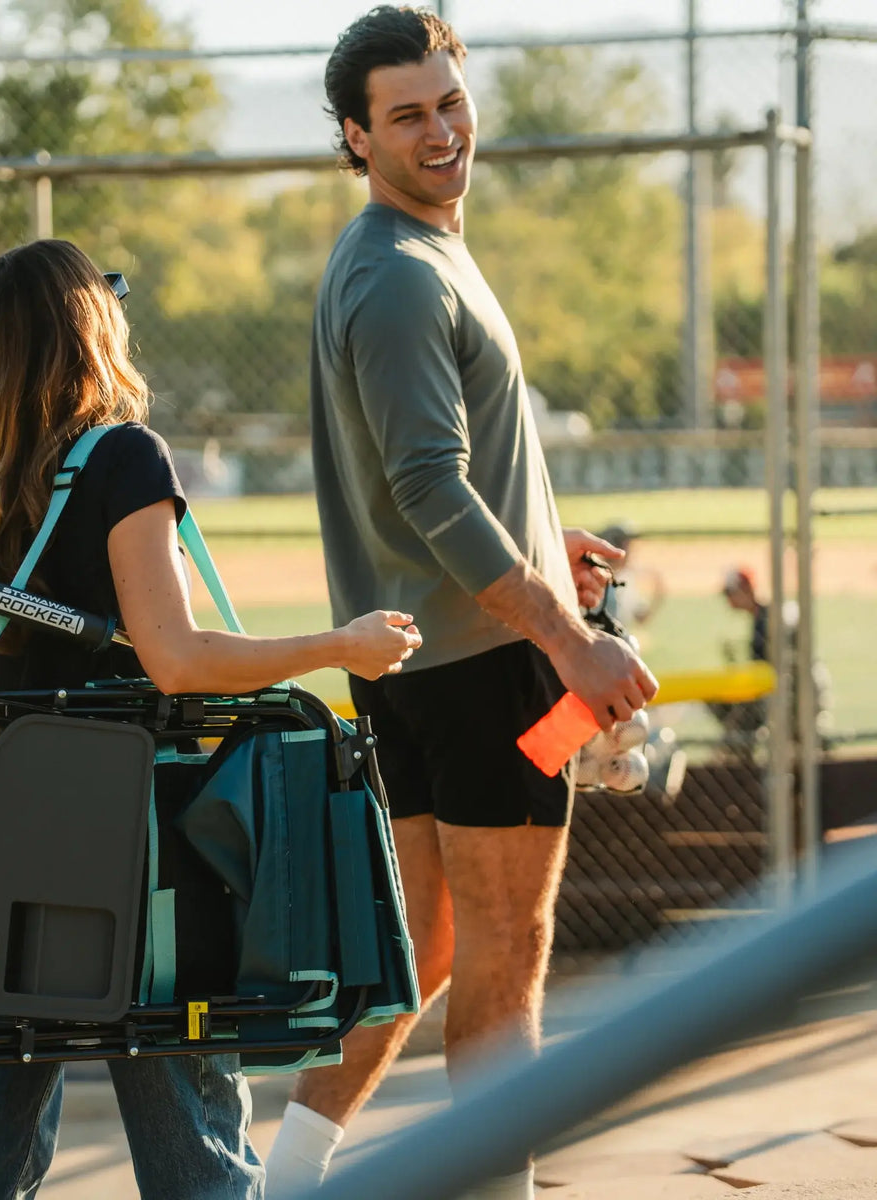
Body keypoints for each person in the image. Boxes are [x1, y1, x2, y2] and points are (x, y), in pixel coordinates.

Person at [0, 238, 423, 1200]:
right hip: (140, 845)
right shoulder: (124, 458)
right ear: (89, 331)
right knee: (189, 1129)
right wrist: (337, 644)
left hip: (20, 831)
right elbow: (177, 659)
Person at [263, 9, 657, 1199]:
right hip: (484, 665)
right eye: (405, 115)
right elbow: (429, 488)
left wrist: (548, 541)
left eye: (448, 103)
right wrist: (569, 639)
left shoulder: (411, 249)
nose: (440, 132)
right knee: (508, 954)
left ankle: (280, 1181)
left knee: (425, 951)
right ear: (356, 134)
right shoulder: (392, 270)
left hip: (435, 659)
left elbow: (438, 477)